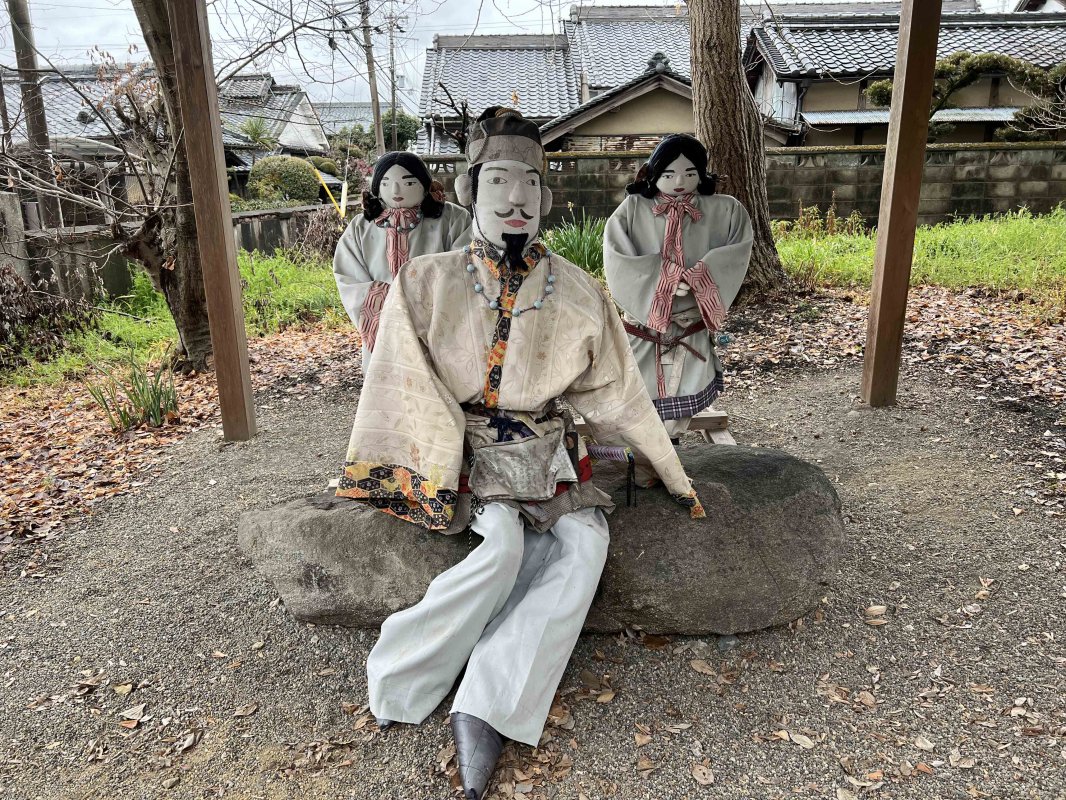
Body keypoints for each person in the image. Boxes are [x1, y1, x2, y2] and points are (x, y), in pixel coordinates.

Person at [336, 108, 704, 800]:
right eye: (499, 181)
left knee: (584, 547)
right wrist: (432, 461)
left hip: (548, 447)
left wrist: (669, 468)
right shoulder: (425, 282)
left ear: (547, 197)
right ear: (470, 191)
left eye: (530, 184)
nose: (515, 199)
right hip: (468, 445)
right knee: (502, 547)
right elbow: (401, 379)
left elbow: (616, 392)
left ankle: (488, 703)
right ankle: (404, 674)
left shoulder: (578, 288)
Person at [604, 134, 753, 446]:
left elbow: (737, 249)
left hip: (690, 319)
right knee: (641, 383)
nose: (680, 182)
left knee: (684, 382)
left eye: (690, 173)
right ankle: (647, 440)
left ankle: (671, 439)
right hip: (646, 319)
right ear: (654, 173)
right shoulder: (633, 208)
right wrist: (667, 278)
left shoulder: (726, 210)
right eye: (669, 174)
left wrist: (700, 277)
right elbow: (618, 255)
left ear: (702, 174)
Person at [333, 151, 471, 363]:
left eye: (408, 183)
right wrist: (386, 299)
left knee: (438, 373)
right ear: (376, 188)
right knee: (386, 373)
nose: (396, 190)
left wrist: (424, 299)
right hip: (382, 327)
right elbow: (348, 276)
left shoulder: (453, 218)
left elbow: (464, 265)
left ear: (425, 185)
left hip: (437, 325)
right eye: (386, 183)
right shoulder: (361, 226)